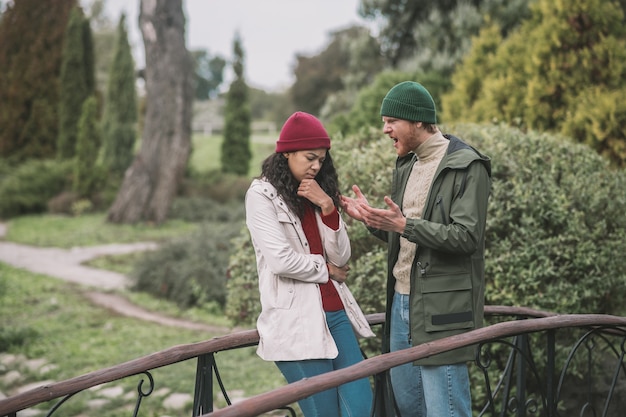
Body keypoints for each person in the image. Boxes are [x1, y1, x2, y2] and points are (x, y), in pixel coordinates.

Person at [341, 81, 492, 417]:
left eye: (391, 120)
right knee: (409, 408)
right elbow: (408, 236)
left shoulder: (468, 166)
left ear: (418, 121)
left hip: (442, 307)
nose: (385, 130)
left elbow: (466, 237)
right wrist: (373, 220)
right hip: (400, 303)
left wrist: (403, 225)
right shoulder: (408, 164)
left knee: (446, 410)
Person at [245, 111, 375, 417]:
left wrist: (328, 207)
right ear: (286, 153)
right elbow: (281, 260)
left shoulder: (317, 194)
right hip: (296, 325)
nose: (317, 165)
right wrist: (326, 270)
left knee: (361, 410)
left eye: (322, 159)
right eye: (310, 157)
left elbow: (342, 258)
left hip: (337, 315)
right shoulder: (261, 196)